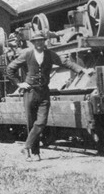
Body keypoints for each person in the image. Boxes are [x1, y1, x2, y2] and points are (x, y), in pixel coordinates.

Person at [6, 31, 83, 161]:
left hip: (44, 92)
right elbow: (10, 69)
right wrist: (19, 84)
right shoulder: (27, 54)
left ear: (44, 41)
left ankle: (26, 147)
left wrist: (81, 70)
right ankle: (34, 153)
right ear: (33, 43)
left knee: (41, 122)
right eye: (37, 41)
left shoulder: (50, 54)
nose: (39, 43)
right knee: (31, 123)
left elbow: (65, 62)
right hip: (30, 92)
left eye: (42, 40)